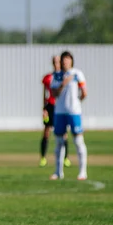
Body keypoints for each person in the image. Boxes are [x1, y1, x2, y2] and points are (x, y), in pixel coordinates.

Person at [49, 51, 88, 181]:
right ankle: (58, 172)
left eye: (67, 59)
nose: (65, 62)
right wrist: (63, 84)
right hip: (60, 112)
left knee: (78, 141)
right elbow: (54, 93)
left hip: (74, 112)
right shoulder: (57, 76)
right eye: (63, 60)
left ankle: (82, 172)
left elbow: (84, 92)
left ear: (71, 61)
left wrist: (77, 102)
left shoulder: (77, 74)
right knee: (59, 142)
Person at [40, 55, 71, 168]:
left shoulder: (65, 76)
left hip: (60, 106)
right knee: (47, 131)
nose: (56, 64)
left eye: (58, 62)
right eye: (54, 62)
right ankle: (43, 157)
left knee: (64, 133)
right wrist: (44, 108)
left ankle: (65, 158)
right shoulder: (49, 77)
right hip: (50, 106)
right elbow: (45, 93)